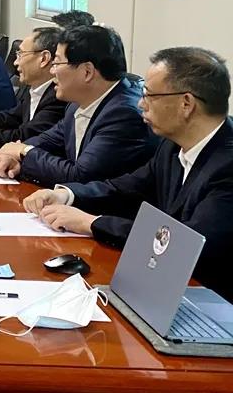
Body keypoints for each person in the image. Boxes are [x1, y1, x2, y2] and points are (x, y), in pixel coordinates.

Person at [23, 47, 233, 301]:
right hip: (168, 286)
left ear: (186, 103)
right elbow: (128, 187)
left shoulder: (226, 165)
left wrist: (92, 223)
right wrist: (67, 195)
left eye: (149, 95)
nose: (141, 104)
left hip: (213, 301)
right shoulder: (172, 145)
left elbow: (183, 244)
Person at [0, 25, 157, 185]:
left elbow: (79, 175)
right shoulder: (76, 104)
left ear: (87, 72)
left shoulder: (124, 114)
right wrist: (14, 155)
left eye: (57, 63)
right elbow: (48, 140)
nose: (52, 71)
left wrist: (24, 152)